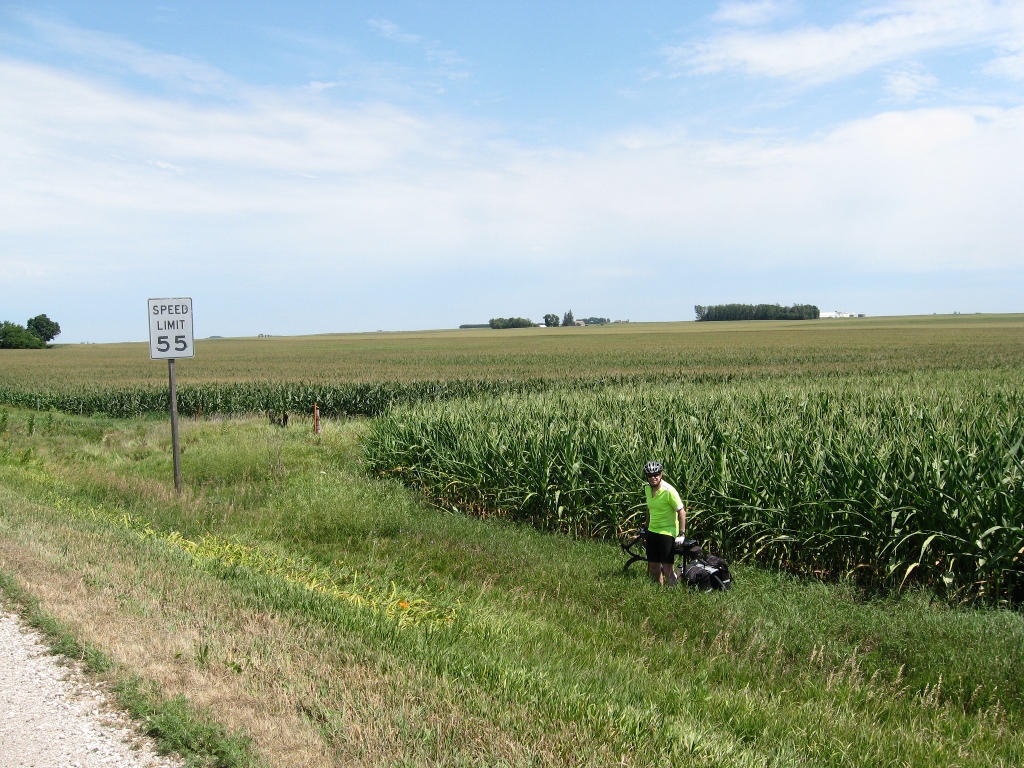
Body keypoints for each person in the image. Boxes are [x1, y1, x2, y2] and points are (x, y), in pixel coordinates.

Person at [642, 461, 686, 586]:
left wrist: (681, 534)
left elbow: (682, 512)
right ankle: (659, 591)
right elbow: (649, 509)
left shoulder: (669, 491)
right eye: (650, 475)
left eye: (656, 474)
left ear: (661, 474)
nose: (653, 477)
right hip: (653, 530)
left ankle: (674, 593)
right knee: (654, 567)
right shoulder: (647, 489)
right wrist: (646, 526)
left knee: (667, 568)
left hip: (667, 531)